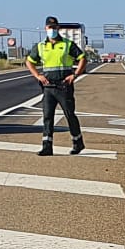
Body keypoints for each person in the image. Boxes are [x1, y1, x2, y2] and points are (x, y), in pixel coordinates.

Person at [26, 16, 91, 155]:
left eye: (55, 27)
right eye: (50, 27)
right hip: (48, 87)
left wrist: (75, 75)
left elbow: (83, 59)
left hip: (64, 86)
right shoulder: (40, 46)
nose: (52, 30)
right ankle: (47, 146)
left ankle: (78, 142)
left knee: (69, 115)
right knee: (47, 116)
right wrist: (38, 75)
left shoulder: (67, 44)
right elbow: (29, 61)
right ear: (46, 28)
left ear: (58, 28)